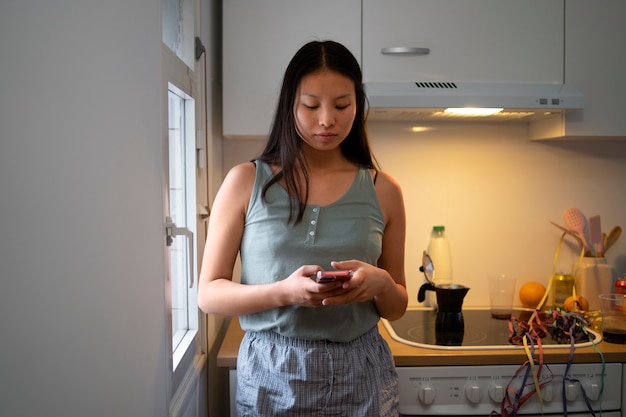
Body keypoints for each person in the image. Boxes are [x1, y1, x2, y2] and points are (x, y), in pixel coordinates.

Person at [198, 40, 408, 416]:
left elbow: (397, 307)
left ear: (358, 104)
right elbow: (209, 294)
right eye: (311, 105)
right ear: (289, 105)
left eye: (342, 105)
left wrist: (383, 285)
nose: (327, 119)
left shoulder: (384, 190)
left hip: (363, 374)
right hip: (272, 374)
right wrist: (284, 292)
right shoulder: (245, 181)